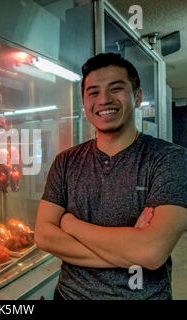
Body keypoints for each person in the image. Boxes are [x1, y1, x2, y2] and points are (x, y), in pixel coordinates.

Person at [34, 52, 187, 300]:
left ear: (137, 97)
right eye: (93, 92)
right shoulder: (66, 161)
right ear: (84, 103)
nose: (104, 99)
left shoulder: (168, 159)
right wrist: (129, 250)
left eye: (116, 89)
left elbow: (151, 251)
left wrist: (71, 224)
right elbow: (43, 235)